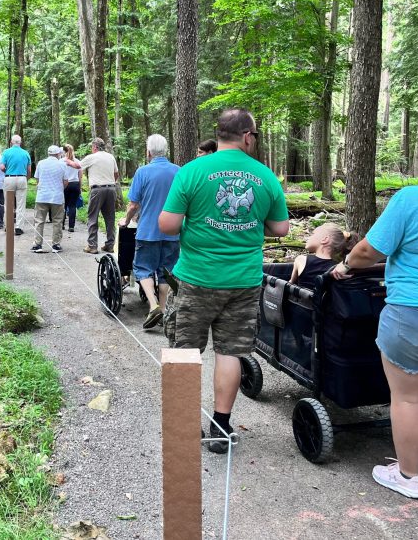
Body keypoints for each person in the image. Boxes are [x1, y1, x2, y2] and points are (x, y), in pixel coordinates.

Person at [159, 108, 289, 453]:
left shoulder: (193, 171)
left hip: (197, 278)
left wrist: (196, 225)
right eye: (256, 136)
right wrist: (249, 228)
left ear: (219, 135)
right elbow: (281, 229)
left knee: (185, 351)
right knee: (230, 353)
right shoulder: (265, 176)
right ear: (247, 136)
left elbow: (167, 225)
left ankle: (183, 427)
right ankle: (220, 428)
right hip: (244, 281)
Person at [333, 185, 418, 499]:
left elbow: (367, 252)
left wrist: (345, 265)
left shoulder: (413, 200)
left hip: (413, 312)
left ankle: (408, 476)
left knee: (409, 398)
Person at [119, 134, 180, 329]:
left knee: (142, 268)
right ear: (166, 150)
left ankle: (153, 306)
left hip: (148, 230)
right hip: (173, 232)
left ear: (148, 152)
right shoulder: (178, 172)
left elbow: (133, 204)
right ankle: (162, 310)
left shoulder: (143, 172)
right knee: (166, 271)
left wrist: (126, 221)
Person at [78, 137, 119, 254]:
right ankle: (110, 245)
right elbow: (116, 174)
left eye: (92, 147)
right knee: (110, 218)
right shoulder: (110, 157)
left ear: (95, 147)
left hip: (97, 189)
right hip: (111, 189)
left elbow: (78, 166)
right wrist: (111, 182)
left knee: (93, 217)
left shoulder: (92, 157)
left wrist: (68, 161)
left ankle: (92, 245)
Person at [290, 223, 358, 290]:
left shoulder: (301, 260)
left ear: (325, 239)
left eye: (313, 234)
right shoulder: (340, 268)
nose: (308, 237)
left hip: (303, 300)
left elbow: (290, 285)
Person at [31, 146, 68, 253]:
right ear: (58, 154)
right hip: (57, 197)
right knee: (57, 221)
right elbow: (66, 181)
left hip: (42, 196)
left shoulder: (41, 163)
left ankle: (37, 245)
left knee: (39, 221)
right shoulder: (62, 164)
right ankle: (56, 245)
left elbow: (37, 179)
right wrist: (60, 189)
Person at [0, 134, 32, 236]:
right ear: (20, 143)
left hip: (9, 178)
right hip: (22, 178)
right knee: (21, 204)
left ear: (11, 142)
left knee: (8, 204)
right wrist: (26, 178)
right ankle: (19, 227)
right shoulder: (26, 153)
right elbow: (29, 170)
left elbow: (1, 167)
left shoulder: (6, 152)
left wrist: (7, 171)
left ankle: (8, 226)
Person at [62, 144, 82, 232]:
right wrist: (80, 187)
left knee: (63, 205)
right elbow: (80, 176)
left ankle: (61, 224)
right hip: (75, 184)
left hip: (65, 185)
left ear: (64, 151)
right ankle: (71, 227)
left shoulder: (61, 161)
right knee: (72, 205)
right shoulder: (77, 162)